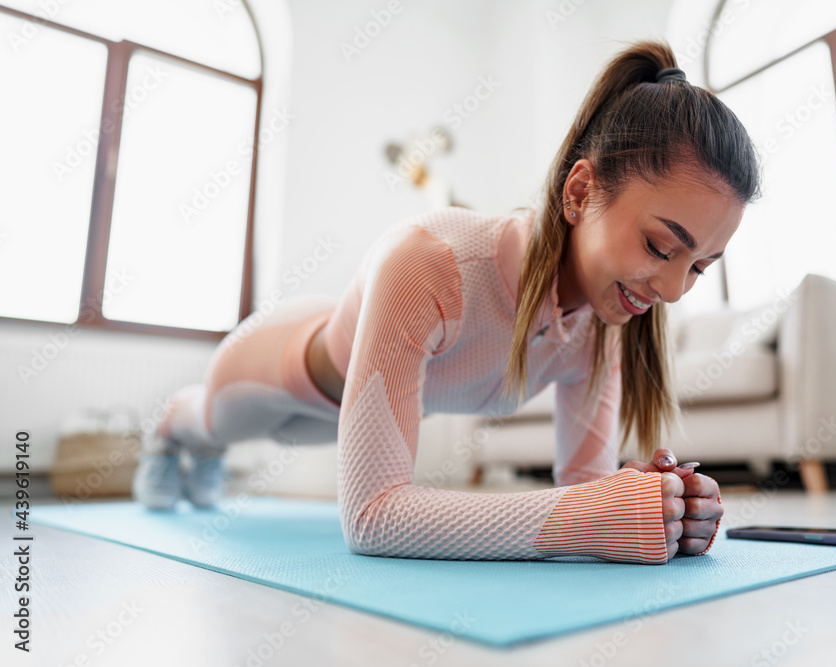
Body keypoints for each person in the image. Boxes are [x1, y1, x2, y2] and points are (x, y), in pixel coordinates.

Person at [132, 38, 761, 565]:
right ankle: (169, 431)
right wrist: (590, 516)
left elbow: (586, 491)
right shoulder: (428, 262)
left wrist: (665, 512)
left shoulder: (606, 322)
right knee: (210, 427)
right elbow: (372, 520)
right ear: (579, 191)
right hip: (279, 370)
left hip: (362, 402)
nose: (675, 291)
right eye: (659, 246)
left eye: (700, 267)